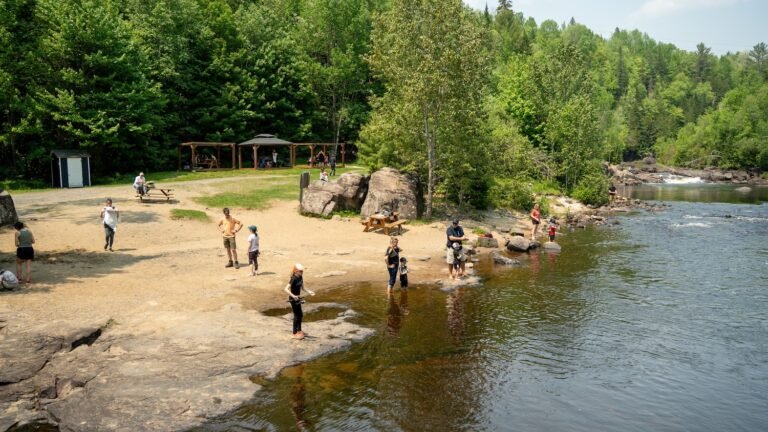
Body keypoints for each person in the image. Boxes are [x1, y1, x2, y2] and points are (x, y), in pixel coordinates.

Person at [283, 263, 315, 339]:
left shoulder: (301, 277)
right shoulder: (293, 278)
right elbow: (285, 289)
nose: (301, 272)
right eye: (300, 271)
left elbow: (303, 288)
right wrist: (293, 296)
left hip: (298, 298)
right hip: (293, 299)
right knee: (296, 315)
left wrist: (309, 291)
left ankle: (299, 331)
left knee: (300, 314)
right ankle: (294, 333)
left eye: (302, 271)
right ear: (296, 271)